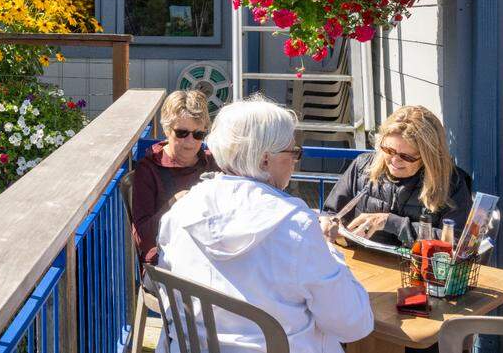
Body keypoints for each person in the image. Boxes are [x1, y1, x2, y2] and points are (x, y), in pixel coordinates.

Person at [155, 96, 373, 353]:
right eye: (293, 152)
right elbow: (353, 324)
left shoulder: (181, 211)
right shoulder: (296, 226)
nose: (295, 160)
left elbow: (167, 292)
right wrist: (330, 250)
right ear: (265, 160)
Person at [321, 105, 472, 246]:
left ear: (428, 158)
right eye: (389, 150)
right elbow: (331, 212)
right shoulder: (363, 166)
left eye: (406, 156)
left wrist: (391, 223)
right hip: (361, 260)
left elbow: (455, 242)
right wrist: (329, 223)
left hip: (415, 264)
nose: (394, 161)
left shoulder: (451, 183)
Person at [131, 89, 220, 265]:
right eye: (182, 133)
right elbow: (142, 239)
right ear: (166, 129)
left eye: (198, 135)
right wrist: (173, 203)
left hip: (209, 258)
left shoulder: (213, 163)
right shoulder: (149, 170)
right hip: (167, 263)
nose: (190, 142)